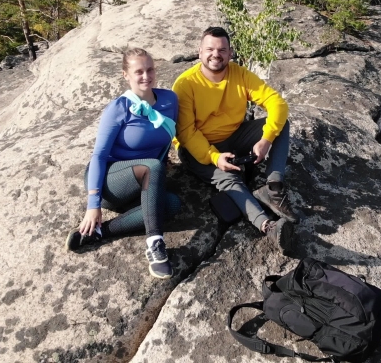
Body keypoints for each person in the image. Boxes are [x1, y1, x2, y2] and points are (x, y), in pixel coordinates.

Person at [172, 27, 297, 252]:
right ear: (199, 52)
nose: (215, 54)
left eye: (222, 49)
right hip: (198, 149)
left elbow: (277, 103)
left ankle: (273, 187)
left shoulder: (239, 74)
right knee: (230, 179)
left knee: (280, 125)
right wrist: (214, 157)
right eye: (209, 49)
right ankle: (267, 226)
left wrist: (266, 139)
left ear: (230, 53)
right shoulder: (185, 84)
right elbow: (186, 132)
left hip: (234, 137)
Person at [66, 47, 181, 280]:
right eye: (139, 71)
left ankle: (100, 233)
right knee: (152, 167)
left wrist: (163, 157)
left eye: (150, 70)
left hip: (145, 181)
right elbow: (98, 156)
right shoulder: (118, 109)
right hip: (112, 181)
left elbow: (166, 136)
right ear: (125, 75)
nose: (146, 76)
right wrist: (93, 204)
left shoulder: (169, 100)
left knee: (172, 205)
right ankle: (155, 244)